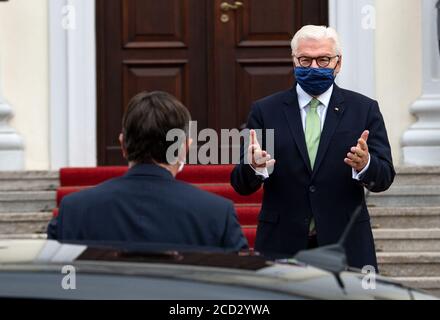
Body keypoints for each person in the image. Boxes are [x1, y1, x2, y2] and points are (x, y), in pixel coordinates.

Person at [230, 25, 395, 270]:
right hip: (282, 244)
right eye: (305, 60)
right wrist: (254, 166)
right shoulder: (265, 111)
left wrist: (365, 165)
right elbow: (240, 184)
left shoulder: (364, 109)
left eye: (323, 59)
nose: (314, 67)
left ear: (338, 63)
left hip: (345, 244)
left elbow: (384, 177)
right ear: (294, 61)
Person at [47, 91, 248, 252]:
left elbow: (57, 283)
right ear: (184, 148)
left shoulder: (74, 210)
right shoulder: (216, 214)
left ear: (123, 145)